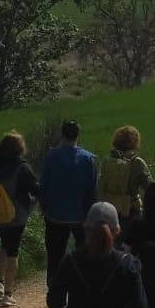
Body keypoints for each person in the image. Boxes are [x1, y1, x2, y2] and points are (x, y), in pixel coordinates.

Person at [0, 132, 41, 307]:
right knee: (13, 250)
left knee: (4, 245)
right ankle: (8, 294)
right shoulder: (22, 168)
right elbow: (35, 189)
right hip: (17, 215)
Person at [39, 120, 99, 295]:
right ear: (78, 135)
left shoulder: (52, 156)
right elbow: (92, 190)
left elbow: (44, 186)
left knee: (55, 259)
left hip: (55, 215)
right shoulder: (88, 159)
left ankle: (55, 299)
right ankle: (81, 294)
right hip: (81, 216)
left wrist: (44, 208)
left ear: (62, 134)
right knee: (83, 257)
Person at [99, 125, 152, 224]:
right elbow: (150, 188)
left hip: (109, 208)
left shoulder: (107, 161)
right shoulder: (137, 162)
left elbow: (101, 185)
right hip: (130, 210)